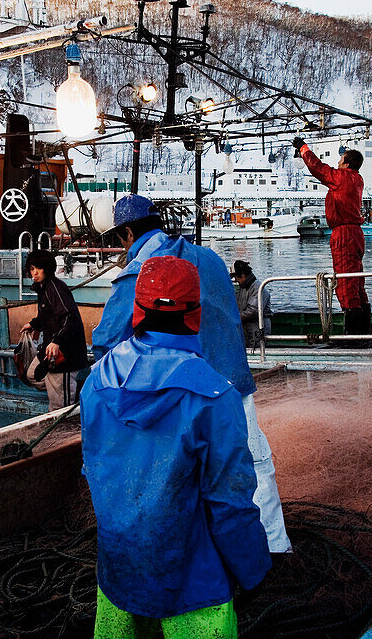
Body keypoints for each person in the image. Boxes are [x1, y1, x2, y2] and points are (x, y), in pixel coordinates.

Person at [82, 255, 271, 638]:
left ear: (136, 309)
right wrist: (255, 571)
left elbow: (95, 473)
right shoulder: (214, 396)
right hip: (193, 587)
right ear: (196, 314)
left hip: (118, 575)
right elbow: (231, 502)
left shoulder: (97, 381)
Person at [92, 194, 291, 554]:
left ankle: (201, 555)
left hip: (181, 395)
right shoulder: (211, 258)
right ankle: (274, 550)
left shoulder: (140, 271)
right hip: (233, 385)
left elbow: (107, 342)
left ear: (126, 234)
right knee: (252, 467)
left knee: (183, 477)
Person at [291, 138, 371, 337]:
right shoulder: (357, 179)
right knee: (356, 281)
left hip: (344, 234)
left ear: (347, 163)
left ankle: (352, 335)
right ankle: (364, 329)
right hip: (355, 234)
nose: (338, 162)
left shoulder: (343, 178)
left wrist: (304, 149)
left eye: (341, 159)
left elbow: (319, 168)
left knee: (345, 283)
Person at [20, 248, 88, 410]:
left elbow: (69, 317)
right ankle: (65, 390)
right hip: (50, 350)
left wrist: (57, 341)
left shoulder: (55, 288)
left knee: (58, 408)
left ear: (48, 269)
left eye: (38, 268)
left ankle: (66, 393)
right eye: (31, 269)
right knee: (32, 375)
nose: (34, 273)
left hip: (64, 355)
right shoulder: (43, 288)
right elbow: (49, 314)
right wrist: (34, 324)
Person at [231, 260, 271, 349]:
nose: (236, 280)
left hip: (257, 326)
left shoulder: (258, 288)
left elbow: (253, 311)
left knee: (256, 349)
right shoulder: (244, 288)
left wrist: (235, 317)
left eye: (236, 277)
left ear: (243, 275)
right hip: (246, 326)